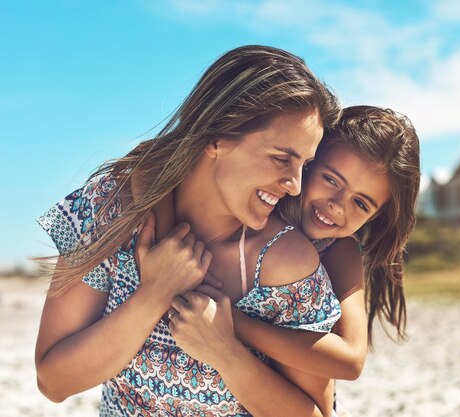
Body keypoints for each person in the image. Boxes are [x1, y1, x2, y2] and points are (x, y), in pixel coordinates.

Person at [34, 45, 343, 417]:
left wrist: (226, 353)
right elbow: (53, 382)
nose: (294, 185)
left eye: (304, 165)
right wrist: (153, 295)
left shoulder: (286, 261)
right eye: (281, 158)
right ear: (216, 137)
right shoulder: (113, 210)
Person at [165, 105, 421, 415]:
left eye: (361, 203)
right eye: (332, 180)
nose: (338, 206)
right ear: (309, 164)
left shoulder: (338, 249)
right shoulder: (260, 204)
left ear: (375, 215)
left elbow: (351, 360)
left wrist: (235, 323)